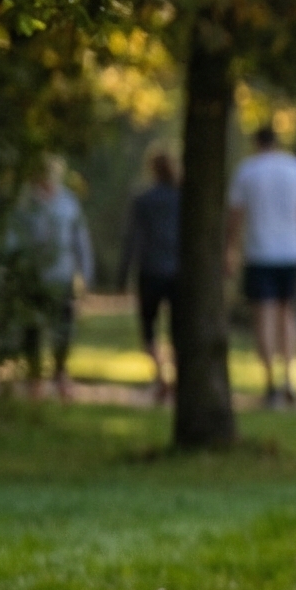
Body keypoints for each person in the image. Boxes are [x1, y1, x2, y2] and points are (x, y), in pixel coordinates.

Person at [226, 125, 296, 407]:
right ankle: (290, 376)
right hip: (292, 253)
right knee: (287, 312)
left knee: (264, 316)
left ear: (256, 142)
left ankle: (270, 383)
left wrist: (229, 251)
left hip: (259, 253)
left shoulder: (247, 171)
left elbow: (234, 217)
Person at [17, 157, 93, 400]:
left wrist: (86, 273)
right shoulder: (26, 203)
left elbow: (80, 238)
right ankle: (35, 377)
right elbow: (15, 239)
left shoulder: (68, 202)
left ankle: (60, 372)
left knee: (63, 326)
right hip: (34, 275)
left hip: (62, 275)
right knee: (32, 328)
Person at [119, 150, 184, 403]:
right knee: (178, 329)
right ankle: (176, 378)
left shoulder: (144, 200)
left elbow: (132, 239)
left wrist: (122, 275)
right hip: (178, 272)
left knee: (149, 328)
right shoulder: (183, 198)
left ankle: (161, 377)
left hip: (151, 271)